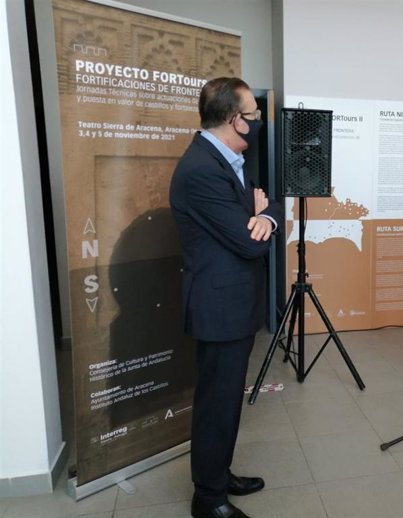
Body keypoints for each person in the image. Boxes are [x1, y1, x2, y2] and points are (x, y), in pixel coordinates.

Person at [169, 77, 283, 518]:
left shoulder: (227, 158)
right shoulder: (201, 170)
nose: (256, 124)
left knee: (226, 399)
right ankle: (209, 498)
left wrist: (265, 217)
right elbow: (249, 243)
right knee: (216, 403)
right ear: (235, 119)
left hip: (234, 304)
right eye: (253, 116)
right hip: (219, 309)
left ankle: (218, 474)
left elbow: (266, 205)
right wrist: (257, 218)